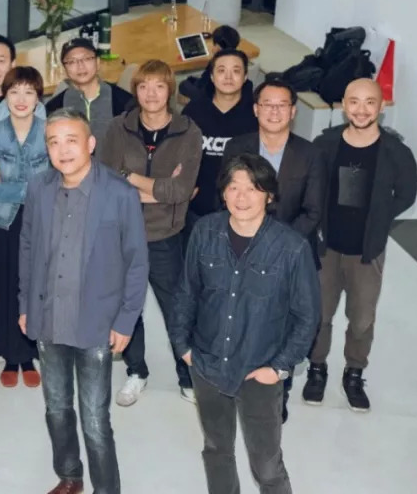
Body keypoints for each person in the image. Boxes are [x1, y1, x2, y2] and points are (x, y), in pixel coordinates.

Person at [169, 153, 320, 494]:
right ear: (223, 193)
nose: (241, 197)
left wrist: (279, 368)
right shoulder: (204, 231)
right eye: (233, 187)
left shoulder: (291, 248)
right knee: (216, 449)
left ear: (269, 196)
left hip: (259, 372)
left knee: (266, 464)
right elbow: (186, 292)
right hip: (207, 365)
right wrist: (183, 347)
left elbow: (308, 317)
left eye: (252, 188)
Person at [20, 108, 149, 494]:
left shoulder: (120, 194)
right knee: (57, 408)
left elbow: (136, 262)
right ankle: (69, 476)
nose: (62, 150)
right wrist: (25, 305)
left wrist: (126, 320)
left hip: (96, 323)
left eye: (71, 140)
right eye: (53, 142)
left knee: (95, 419)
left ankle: (106, 489)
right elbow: (27, 248)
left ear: (90, 144)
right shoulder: (38, 188)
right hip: (48, 319)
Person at [303, 78, 417, 412]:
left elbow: (407, 194)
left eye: (370, 102)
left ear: (381, 107)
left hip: (367, 253)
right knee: (319, 314)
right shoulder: (325, 144)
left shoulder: (396, 152)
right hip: (326, 248)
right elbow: (311, 186)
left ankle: (354, 373)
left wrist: (380, 218)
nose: (361, 109)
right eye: (354, 101)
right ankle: (316, 369)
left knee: (362, 318)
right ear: (343, 105)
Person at [99, 59, 203, 406]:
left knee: (176, 309)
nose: (151, 94)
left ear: (170, 90)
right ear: (135, 91)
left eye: (159, 86)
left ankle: (187, 374)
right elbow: (106, 181)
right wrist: (160, 188)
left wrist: (129, 177)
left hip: (165, 235)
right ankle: (136, 371)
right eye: (143, 86)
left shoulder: (188, 132)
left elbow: (181, 190)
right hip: (122, 234)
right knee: (127, 306)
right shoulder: (118, 128)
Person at [222, 79, 325, 422]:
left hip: (291, 255)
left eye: (282, 105)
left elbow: (313, 211)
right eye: (267, 104)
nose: (275, 111)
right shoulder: (237, 147)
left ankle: (279, 393)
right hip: (241, 250)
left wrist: (275, 246)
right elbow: (227, 197)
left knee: (283, 326)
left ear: (293, 111)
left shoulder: (310, 153)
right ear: (256, 109)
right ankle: (240, 383)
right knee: (242, 320)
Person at [0, 66, 49, 388]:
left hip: (39, 219)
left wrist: (10, 184)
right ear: (5, 96)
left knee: (32, 285)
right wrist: (32, 187)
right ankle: (9, 354)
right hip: (0, 220)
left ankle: (28, 355)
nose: (21, 99)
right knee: (5, 285)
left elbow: (54, 185)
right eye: (14, 91)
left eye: (29, 92)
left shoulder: (49, 133)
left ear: (38, 98)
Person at [182, 49, 259, 233]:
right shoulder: (194, 111)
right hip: (197, 207)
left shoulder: (256, 114)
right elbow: (180, 154)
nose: (228, 77)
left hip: (242, 208)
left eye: (236, 71)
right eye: (221, 70)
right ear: (211, 76)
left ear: (245, 76)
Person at [43, 36, 132, 144]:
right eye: (72, 62)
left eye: (86, 59)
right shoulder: (54, 108)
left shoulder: (124, 102)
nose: (80, 66)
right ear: (64, 69)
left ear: (98, 62)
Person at [180, 25, 248, 102]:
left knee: (183, 84)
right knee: (191, 79)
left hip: (209, 96)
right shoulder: (239, 59)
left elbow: (203, 83)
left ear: (217, 47)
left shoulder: (216, 62)